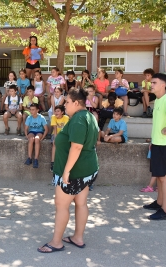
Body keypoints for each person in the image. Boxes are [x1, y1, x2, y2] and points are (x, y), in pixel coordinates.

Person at [37, 87, 99, 253]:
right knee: (81, 203)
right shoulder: (90, 116)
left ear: (76, 103)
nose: (65, 106)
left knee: (62, 205)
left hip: (74, 172)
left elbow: (77, 147)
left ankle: (56, 242)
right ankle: (77, 237)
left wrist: (66, 172)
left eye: (67, 102)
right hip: (87, 169)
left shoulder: (79, 119)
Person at [143, 73, 166, 220]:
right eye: (151, 83)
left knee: (164, 177)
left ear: (163, 85)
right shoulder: (158, 100)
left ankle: (165, 211)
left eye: (154, 83)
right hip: (158, 143)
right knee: (158, 175)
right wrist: (153, 141)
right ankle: (159, 203)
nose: (151, 85)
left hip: (165, 145)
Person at [24, 104, 48, 169]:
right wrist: (27, 136)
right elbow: (26, 129)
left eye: (33, 110)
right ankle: (29, 158)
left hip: (39, 132)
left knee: (37, 139)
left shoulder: (41, 117)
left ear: (37, 110)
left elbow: (46, 129)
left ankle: (36, 159)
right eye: (30, 109)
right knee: (31, 139)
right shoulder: (29, 117)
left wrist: (43, 137)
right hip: (31, 132)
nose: (31, 111)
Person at [50, 105, 69, 172]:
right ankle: (52, 163)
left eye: (58, 111)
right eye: (55, 111)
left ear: (62, 112)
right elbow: (55, 128)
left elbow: (65, 129)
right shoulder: (53, 117)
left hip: (64, 134)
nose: (56, 113)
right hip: (55, 134)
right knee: (54, 143)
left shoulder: (66, 117)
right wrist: (56, 138)